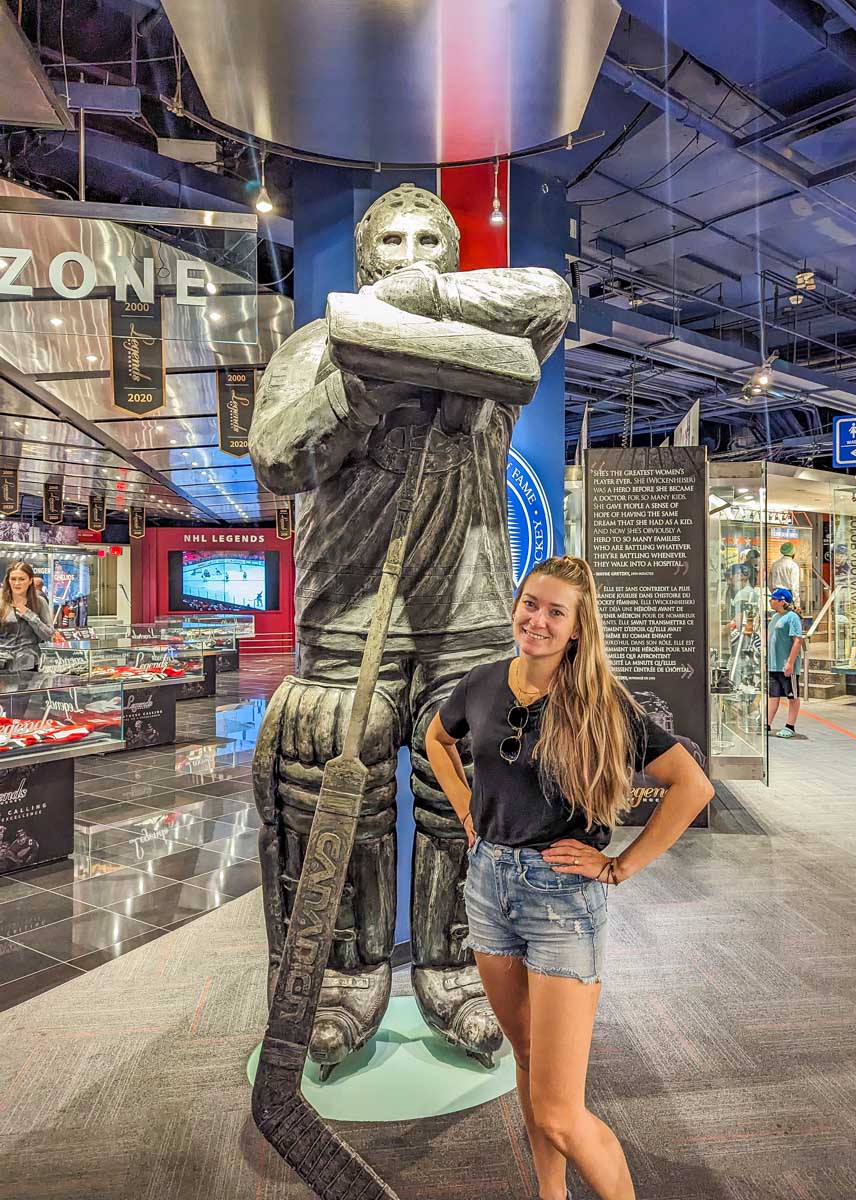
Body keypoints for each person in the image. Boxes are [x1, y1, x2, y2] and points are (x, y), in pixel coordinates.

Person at [248, 182, 572, 1076]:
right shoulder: (316, 345)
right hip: (350, 608)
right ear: (364, 256)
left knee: (467, 800)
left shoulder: (491, 337)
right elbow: (276, 456)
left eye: (433, 239)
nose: (414, 250)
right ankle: (343, 977)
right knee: (328, 783)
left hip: (466, 612)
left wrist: (421, 307)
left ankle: (453, 968)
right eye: (394, 241)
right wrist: (361, 385)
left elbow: (551, 293)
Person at [425, 556, 713, 1200]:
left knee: (559, 1109)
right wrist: (467, 807)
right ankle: (550, 1195)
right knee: (526, 1061)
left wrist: (621, 866)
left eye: (557, 612)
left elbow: (691, 785)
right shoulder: (480, 683)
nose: (538, 620)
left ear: (578, 628)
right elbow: (436, 740)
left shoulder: (601, 703)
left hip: (560, 901)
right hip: (488, 888)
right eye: (532, 603)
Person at [0, 562, 55, 672]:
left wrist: (29, 615)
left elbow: (48, 635)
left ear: (30, 581)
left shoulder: (39, 602)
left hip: (28, 665)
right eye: (13, 579)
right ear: (8, 581)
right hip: (2, 664)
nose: (17, 583)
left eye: (21, 579)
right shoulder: (1, 602)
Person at [767, 587, 803, 739]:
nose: (770, 601)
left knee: (792, 696)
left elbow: (797, 641)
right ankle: (767, 724)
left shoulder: (792, 617)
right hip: (773, 664)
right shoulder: (775, 617)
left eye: (773, 599)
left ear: (781, 601)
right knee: (773, 695)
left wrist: (789, 663)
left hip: (786, 666)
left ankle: (790, 726)